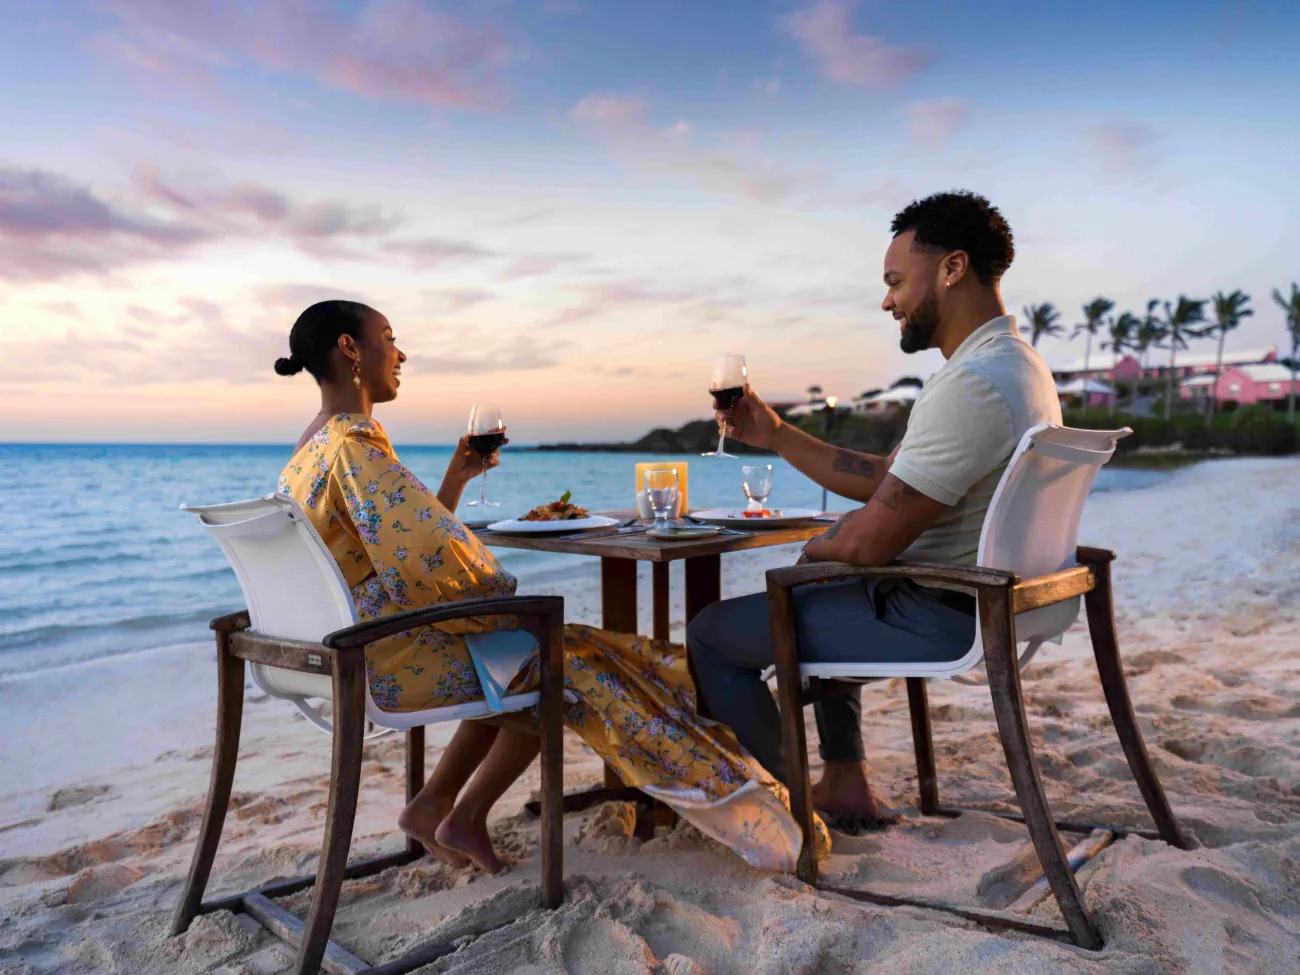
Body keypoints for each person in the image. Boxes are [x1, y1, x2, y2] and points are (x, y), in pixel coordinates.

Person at [273, 300, 829, 875]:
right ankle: (735, 799)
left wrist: (455, 482)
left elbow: (402, 544)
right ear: (349, 349)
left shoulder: (310, 448)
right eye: (388, 337)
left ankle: (437, 805)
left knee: (539, 647)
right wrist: (501, 597)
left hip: (351, 649)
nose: (401, 352)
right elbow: (431, 556)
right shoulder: (354, 445)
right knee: (561, 661)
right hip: (390, 660)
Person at [687, 191, 1061, 826]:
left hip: (943, 614)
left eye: (895, 281)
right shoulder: (1017, 367)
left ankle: (789, 813)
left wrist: (822, 546)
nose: (887, 301)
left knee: (713, 635)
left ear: (952, 268)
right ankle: (845, 781)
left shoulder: (972, 383)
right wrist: (777, 433)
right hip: (994, 601)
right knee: (824, 587)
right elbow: (889, 478)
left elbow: (867, 546)